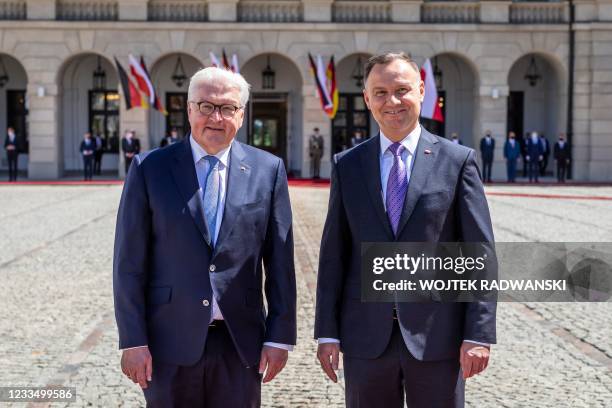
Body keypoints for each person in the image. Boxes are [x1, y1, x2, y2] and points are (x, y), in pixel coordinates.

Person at [314, 52, 496, 408]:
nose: (391, 101)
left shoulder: (458, 161)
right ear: (367, 99)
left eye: (402, 90)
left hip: (438, 336)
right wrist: (327, 332)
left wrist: (478, 333)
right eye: (379, 92)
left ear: (422, 91)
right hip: (365, 337)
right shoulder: (347, 165)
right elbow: (334, 255)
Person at [113, 66, 297, 407]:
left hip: (240, 343)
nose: (216, 117)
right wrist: (132, 339)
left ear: (241, 115)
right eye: (206, 106)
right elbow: (129, 264)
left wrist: (280, 337)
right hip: (168, 341)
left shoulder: (268, 170)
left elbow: (280, 263)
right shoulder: (149, 168)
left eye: (227, 108)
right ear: (189, 110)